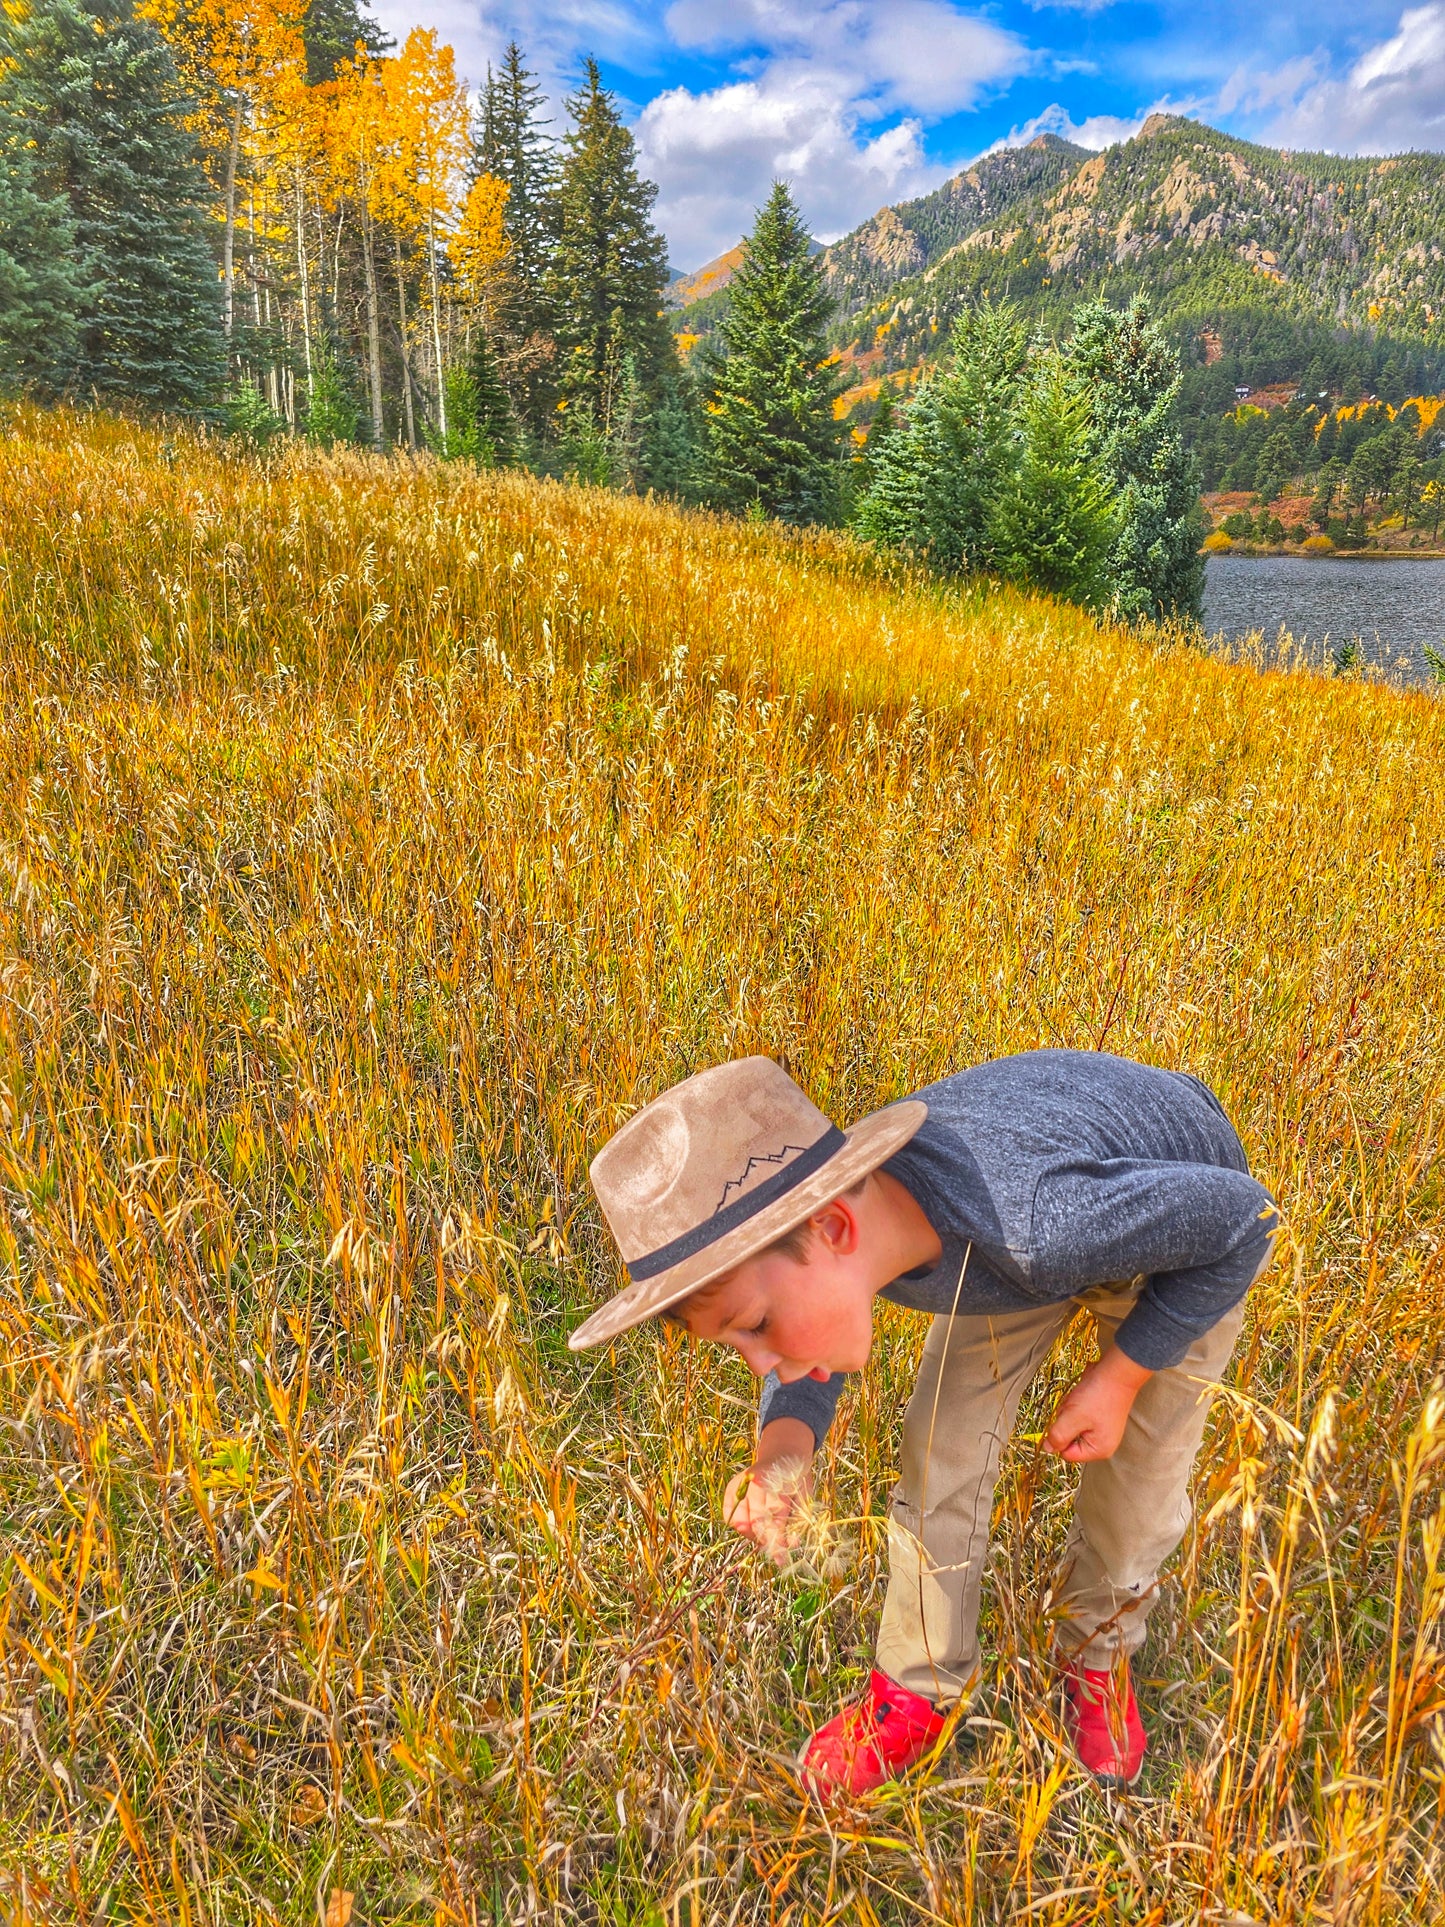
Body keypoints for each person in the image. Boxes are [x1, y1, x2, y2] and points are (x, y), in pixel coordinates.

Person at [569, 1051, 1279, 1796]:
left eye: (756, 1324)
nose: (756, 1362)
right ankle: (920, 1681)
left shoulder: (1034, 1218)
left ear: (834, 1225)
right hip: (1029, 1231)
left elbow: (1244, 1216)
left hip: (1185, 1243)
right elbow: (819, 1331)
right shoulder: (874, 1223)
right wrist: (785, 1446)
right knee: (943, 1438)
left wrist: (1122, 1373)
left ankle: (1097, 1652)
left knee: (1141, 1477)